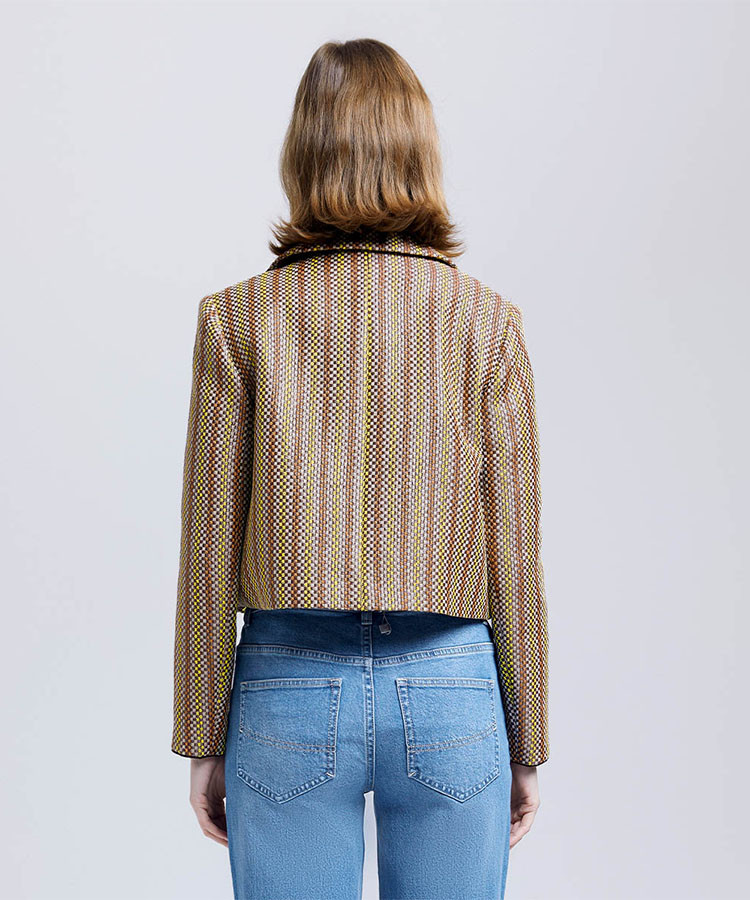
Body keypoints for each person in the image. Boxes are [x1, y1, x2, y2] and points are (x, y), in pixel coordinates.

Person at [171, 37, 549, 900]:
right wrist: (526, 740)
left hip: (286, 685)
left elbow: (208, 549)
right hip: (452, 688)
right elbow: (514, 558)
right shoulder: (487, 323)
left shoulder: (238, 320)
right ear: (420, 150)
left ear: (302, 155)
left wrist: (202, 735)